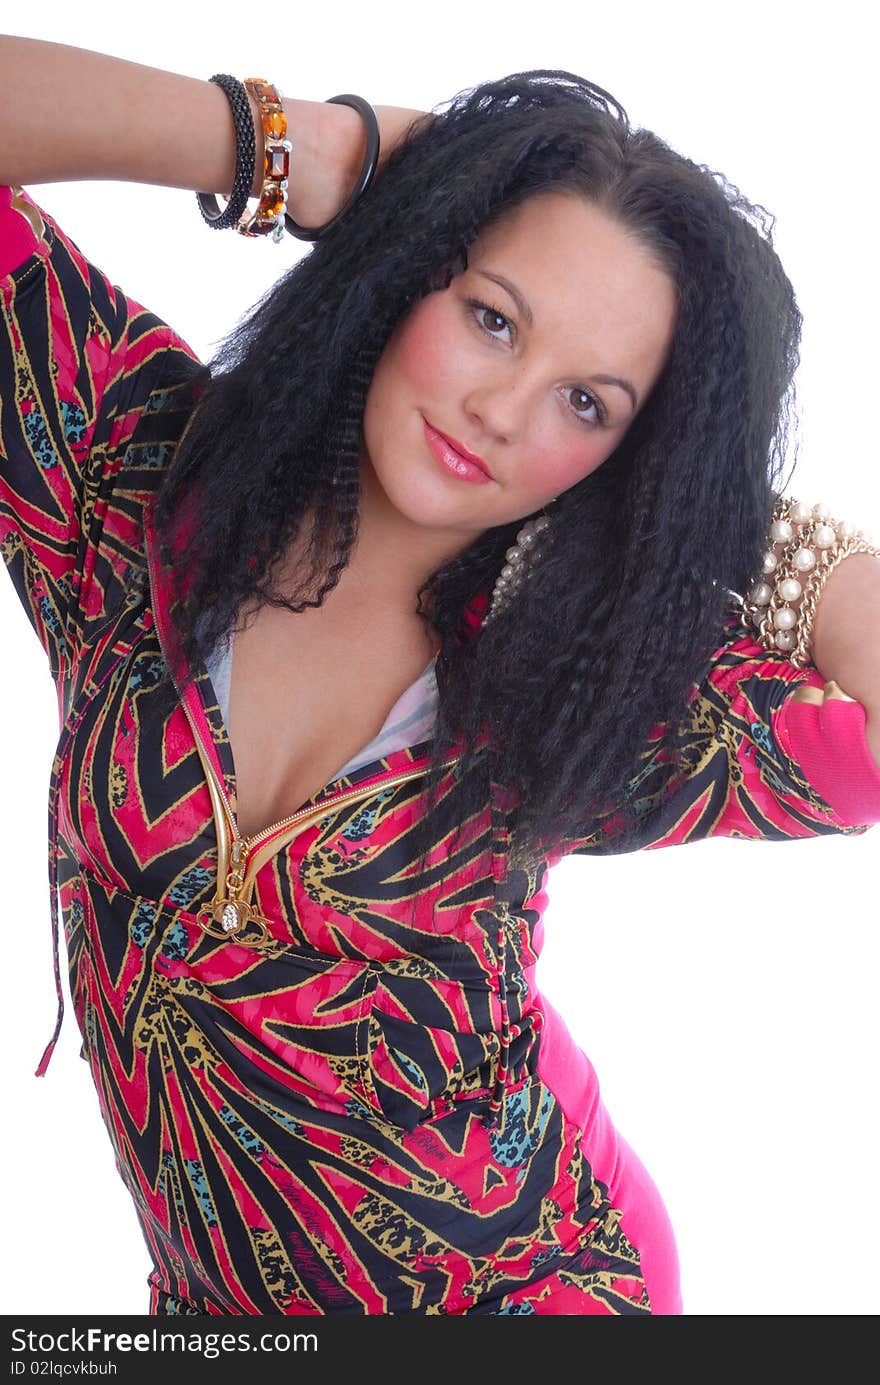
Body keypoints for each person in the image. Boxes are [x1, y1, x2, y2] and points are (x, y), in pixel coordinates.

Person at [2, 35, 879, 1318]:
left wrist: (705, 502)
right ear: (408, 270)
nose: (505, 413)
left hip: (545, 1289)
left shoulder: (588, 681)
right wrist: (312, 151)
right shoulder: (127, 476)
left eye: (590, 403)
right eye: (490, 320)